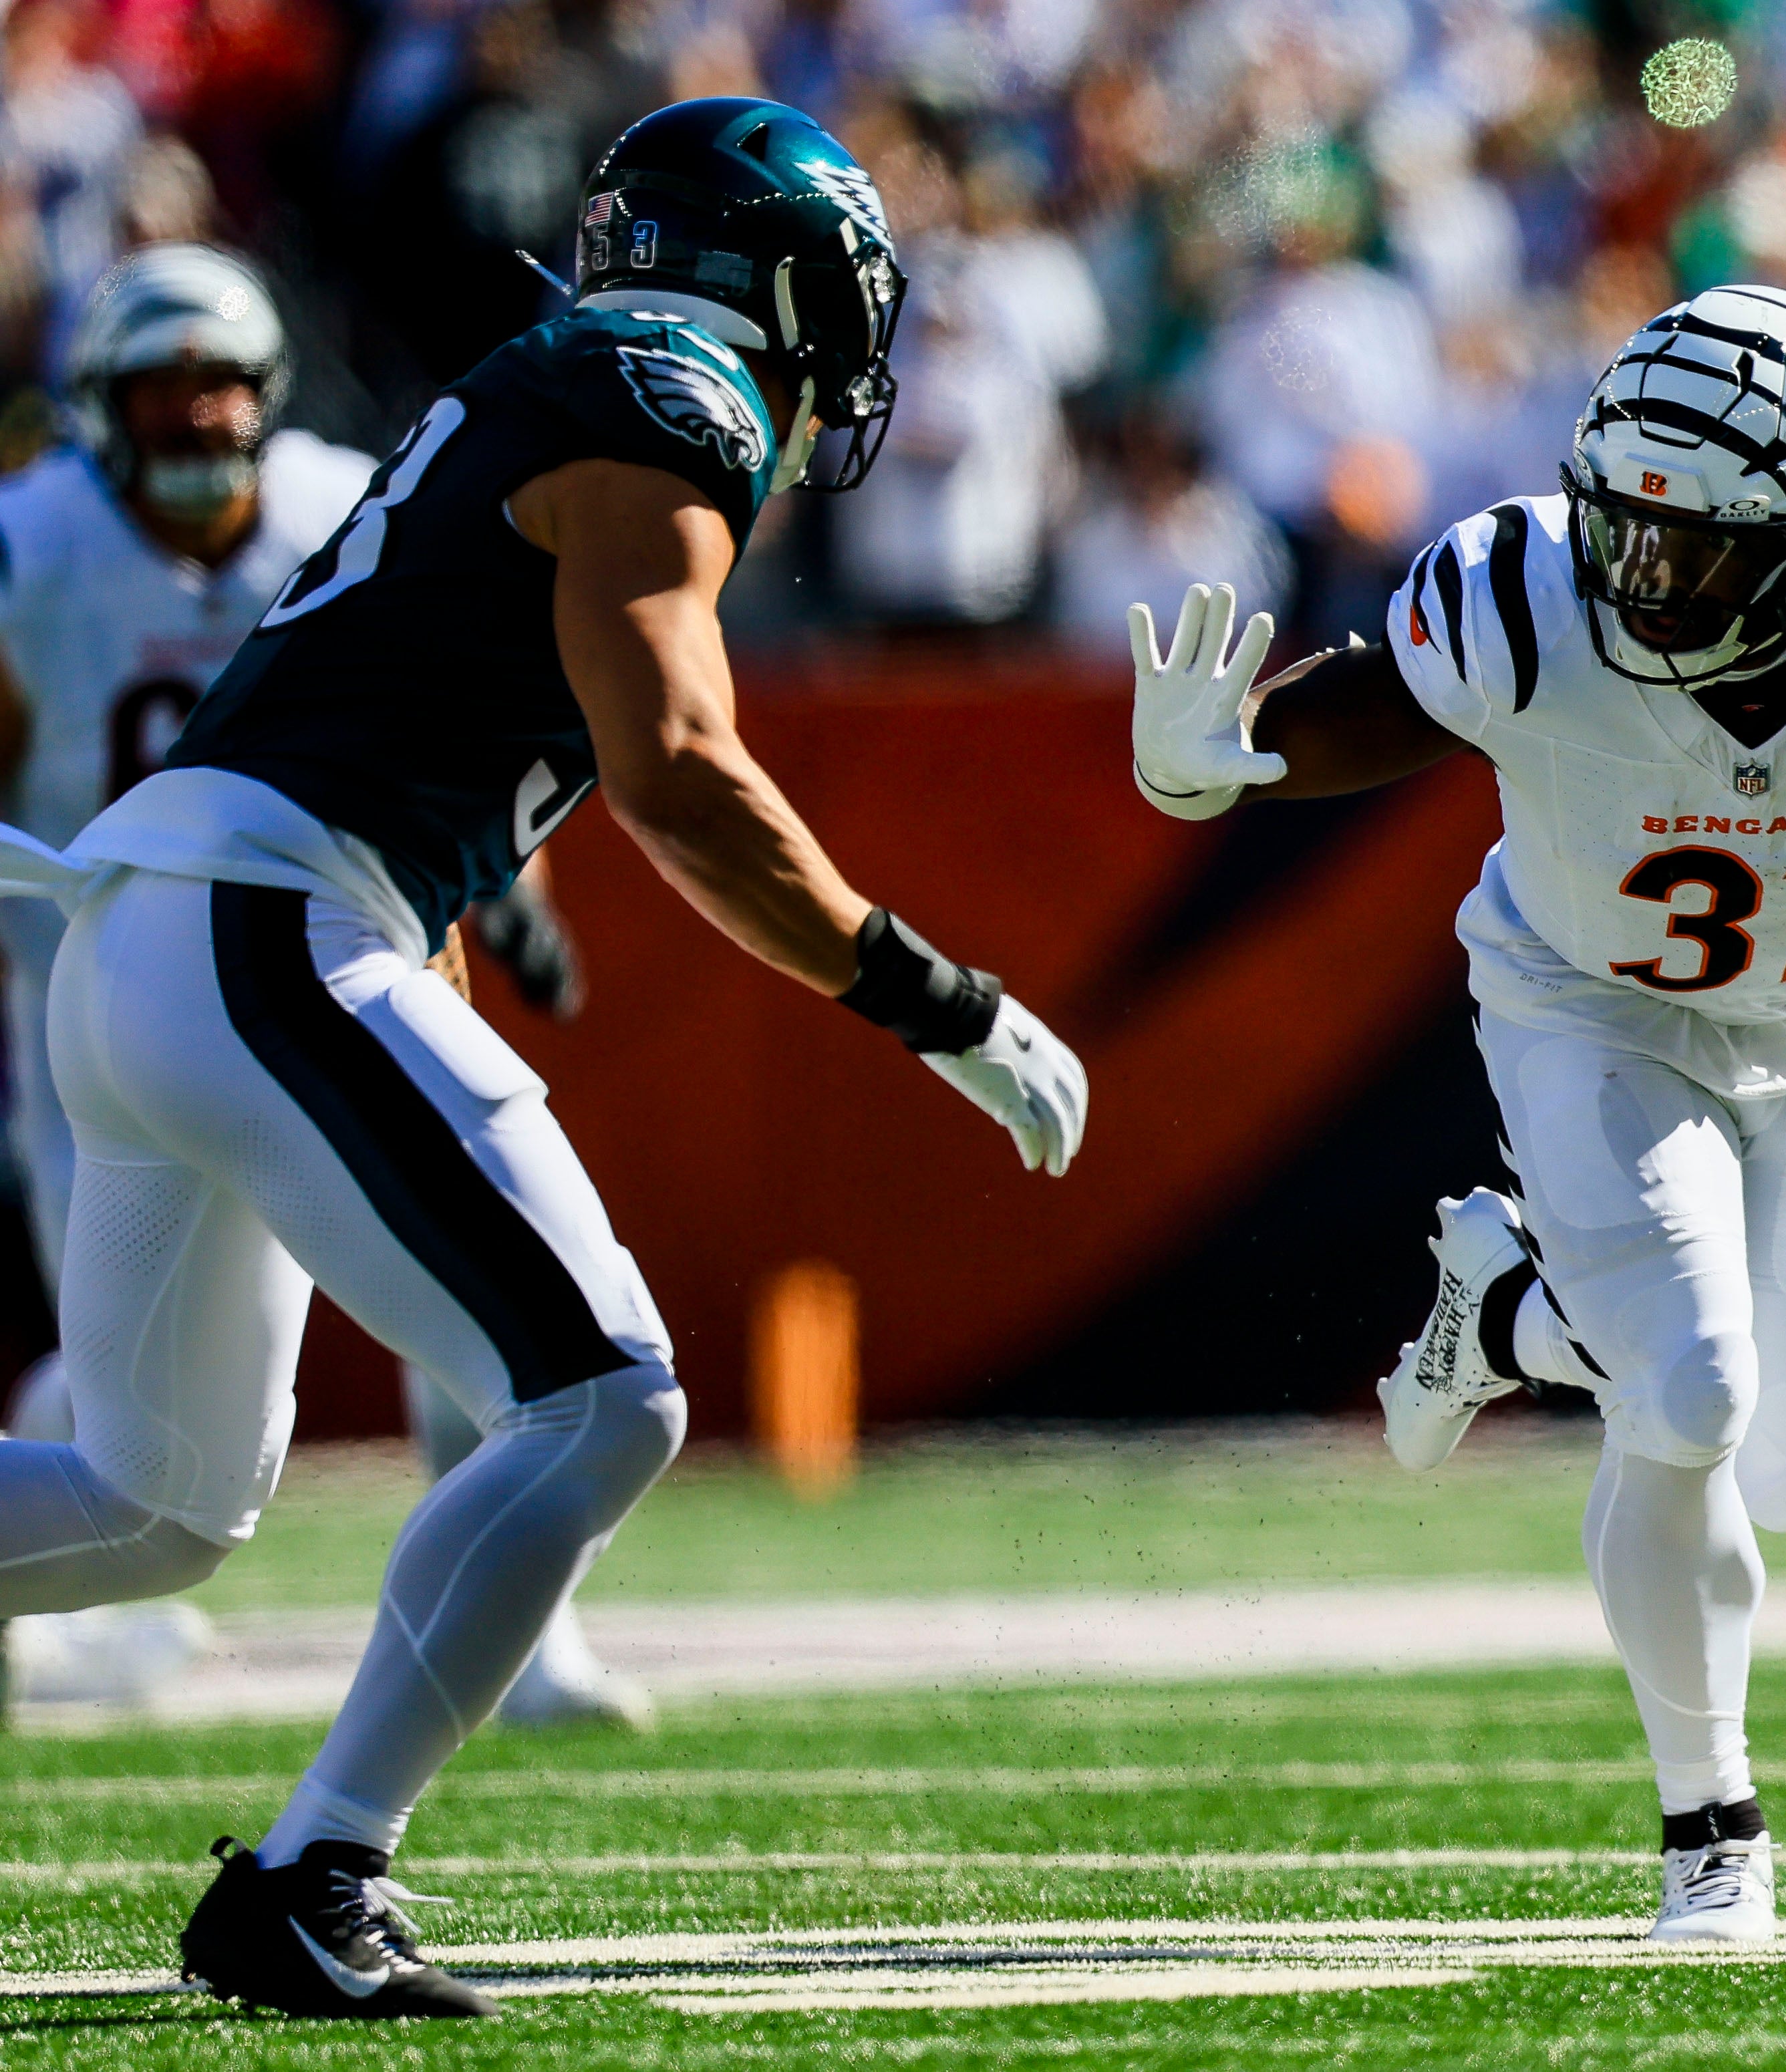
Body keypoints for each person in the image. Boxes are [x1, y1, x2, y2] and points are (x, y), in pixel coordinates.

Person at [0, 98, 1087, 2021]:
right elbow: (679, 772)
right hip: (257, 917)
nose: (850, 342)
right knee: (603, 1393)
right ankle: (314, 1871)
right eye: (838, 291)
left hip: (152, 930)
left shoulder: (572, 373)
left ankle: (313, 1872)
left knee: (157, 1498)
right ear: (763, 271)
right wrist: (944, 1000)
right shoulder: (668, 389)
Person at [1129, 285, 1786, 1945]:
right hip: (1591, 1009)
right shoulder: (1527, 594)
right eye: (1623, 527)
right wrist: (1219, 758)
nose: (1640, 577)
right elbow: (1377, 701)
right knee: (1692, 1395)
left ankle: (1518, 1314)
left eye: (1700, 550)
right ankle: (1712, 1835)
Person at [0, 243, 636, 1731]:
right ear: (99, 408)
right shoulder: (34, 547)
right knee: (138, 1443)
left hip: (317, 957)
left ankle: (526, 1640)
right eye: (162, 390)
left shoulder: (341, 503)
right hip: (98, 994)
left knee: (477, 1295)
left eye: (221, 386)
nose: (198, 420)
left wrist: (506, 884)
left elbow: (442, 714)